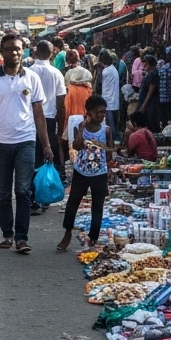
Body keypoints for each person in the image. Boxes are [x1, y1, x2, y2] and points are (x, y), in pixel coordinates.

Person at [0, 33, 52, 254]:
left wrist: (46, 144)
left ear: (23, 51)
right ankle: (7, 234)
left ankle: (21, 238)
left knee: (23, 190)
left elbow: (38, 113)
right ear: (2, 52)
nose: (14, 52)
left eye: (18, 49)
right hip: (0, 142)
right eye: (9, 49)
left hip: (25, 141)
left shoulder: (32, 78)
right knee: (4, 192)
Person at [57, 95, 111, 251]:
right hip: (81, 171)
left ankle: (93, 237)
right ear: (89, 113)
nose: (101, 115)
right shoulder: (81, 126)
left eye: (103, 112)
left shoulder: (106, 130)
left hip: (99, 173)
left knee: (97, 206)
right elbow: (77, 145)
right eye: (97, 112)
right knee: (73, 202)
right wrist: (81, 128)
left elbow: (108, 153)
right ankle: (67, 232)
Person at [28, 41, 67, 185]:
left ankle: (33, 190)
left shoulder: (29, 72)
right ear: (52, 54)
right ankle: (45, 190)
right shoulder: (56, 74)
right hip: (49, 120)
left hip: (31, 120)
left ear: (36, 52)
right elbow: (61, 104)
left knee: (33, 156)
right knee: (48, 155)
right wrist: (61, 128)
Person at [97, 50, 122, 144]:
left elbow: (101, 84)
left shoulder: (106, 72)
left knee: (110, 127)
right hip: (114, 101)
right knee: (114, 125)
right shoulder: (113, 69)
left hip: (108, 102)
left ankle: (111, 144)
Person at [156, 50, 171, 129]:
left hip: (162, 97)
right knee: (170, 116)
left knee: (163, 117)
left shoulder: (160, 69)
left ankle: (163, 128)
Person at [137, 55, 161, 131]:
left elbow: (150, 91)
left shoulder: (154, 75)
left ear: (151, 65)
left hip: (150, 105)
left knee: (150, 123)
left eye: (146, 65)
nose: (144, 67)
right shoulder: (148, 74)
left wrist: (143, 106)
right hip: (145, 103)